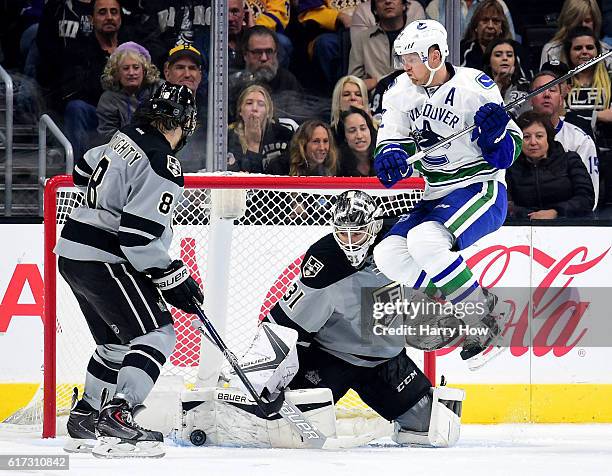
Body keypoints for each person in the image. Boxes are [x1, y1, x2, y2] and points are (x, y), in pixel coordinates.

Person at [54, 83, 204, 458]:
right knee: (157, 332)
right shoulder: (162, 161)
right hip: (103, 257)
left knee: (116, 344)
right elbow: (137, 240)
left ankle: (86, 417)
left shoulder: (125, 138)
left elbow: (80, 170)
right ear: (185, 122)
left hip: (72, 252)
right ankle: (118, 416)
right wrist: (173, 277)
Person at [263, 190, 465, 447]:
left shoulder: (399, 245)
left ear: (374, 227)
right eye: (342, 233)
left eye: (356, 233)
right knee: (288, 434)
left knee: (435, 429)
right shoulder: (325, 260)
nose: (349, 242)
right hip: (330, 358)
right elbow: (284, 321)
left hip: (387, 362)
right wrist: (264, 374)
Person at [372, 19, 522, 364]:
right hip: (434, 194)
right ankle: (472, 300)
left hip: (480, 188)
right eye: (403, 59)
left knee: (426, 240)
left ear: (435, 56)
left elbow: (508, 153)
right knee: (389, 255)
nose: (404, 66)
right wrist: (390, 158)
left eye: (411, 58)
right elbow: (389, 147)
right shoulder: (398, 93)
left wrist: (494, 136)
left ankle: (484, 323)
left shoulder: (477, 87)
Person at [529, 70, 600, 209]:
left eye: (553, 90)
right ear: (530, 98)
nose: (547, 94)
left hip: (569, 222)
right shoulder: (517, 137)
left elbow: (590, 197)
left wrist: (558, 213)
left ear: (561, 98)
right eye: (540, 90)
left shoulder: (581, 140)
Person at [506, 111, 594, 219]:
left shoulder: (570, 160)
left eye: (539, 136)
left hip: (569, 226)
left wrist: (556, 212)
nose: (533, 142)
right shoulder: (510, 167)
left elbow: (586, 199)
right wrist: (530, 215)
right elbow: (505, 204)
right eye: (526, 137)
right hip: (524, 228)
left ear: (548, 137)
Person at [96, 41, 161, 142]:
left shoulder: (160, 89)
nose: (131, 73)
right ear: (117, 73)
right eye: (126, 68)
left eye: (136, 67)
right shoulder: (108, 99)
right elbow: (107, 136)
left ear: (144, 70)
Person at [563, 26, 612, 150]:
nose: (584, 52)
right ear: (569, 53)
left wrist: (574, 115)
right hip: (569, 148)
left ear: (598, 51)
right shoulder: (560, 82)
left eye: (590, 47)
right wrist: (597, 115)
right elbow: (560, 116)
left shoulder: (610, 79)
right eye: (578, 48)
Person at [227, 84, 293, 173]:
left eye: (261, 104)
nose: (254, 108)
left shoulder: (284, 135)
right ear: (240, 111)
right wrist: (253, 145)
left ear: (268, 112)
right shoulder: (227, 137)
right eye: (249, 103)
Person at [348, 0, 409, 92]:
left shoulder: (419, 36)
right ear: (375, 10)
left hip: (411, 99)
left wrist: (377, 81)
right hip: (374, 101)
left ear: (404, 6)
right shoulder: (362, 39)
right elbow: (353, 82)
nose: (388, 1)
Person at [540, 0, 612, 76]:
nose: (583, 26)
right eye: (578, 21)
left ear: (595, 22)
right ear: (567, 22)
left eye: (587, 21)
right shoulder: (551, 51)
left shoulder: (607, 52)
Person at [267, 120, 339, 176]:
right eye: (316, 141)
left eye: (325, 141)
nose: (322, 147)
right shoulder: (279, 167)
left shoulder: (330, 168)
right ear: (302, 144)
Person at [482, 38, 530, 118]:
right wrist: (497, 85)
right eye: (498, 55)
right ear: (489, 61)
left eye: (509, 55)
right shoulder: (478, 88)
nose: (505, 58)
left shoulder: (525, 87)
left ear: (515, 61)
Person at [337, 106, 377, 176]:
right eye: (352, 131)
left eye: (363, 128)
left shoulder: (384, 158)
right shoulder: (337, 166)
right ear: (344, 137)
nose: (359, 136)